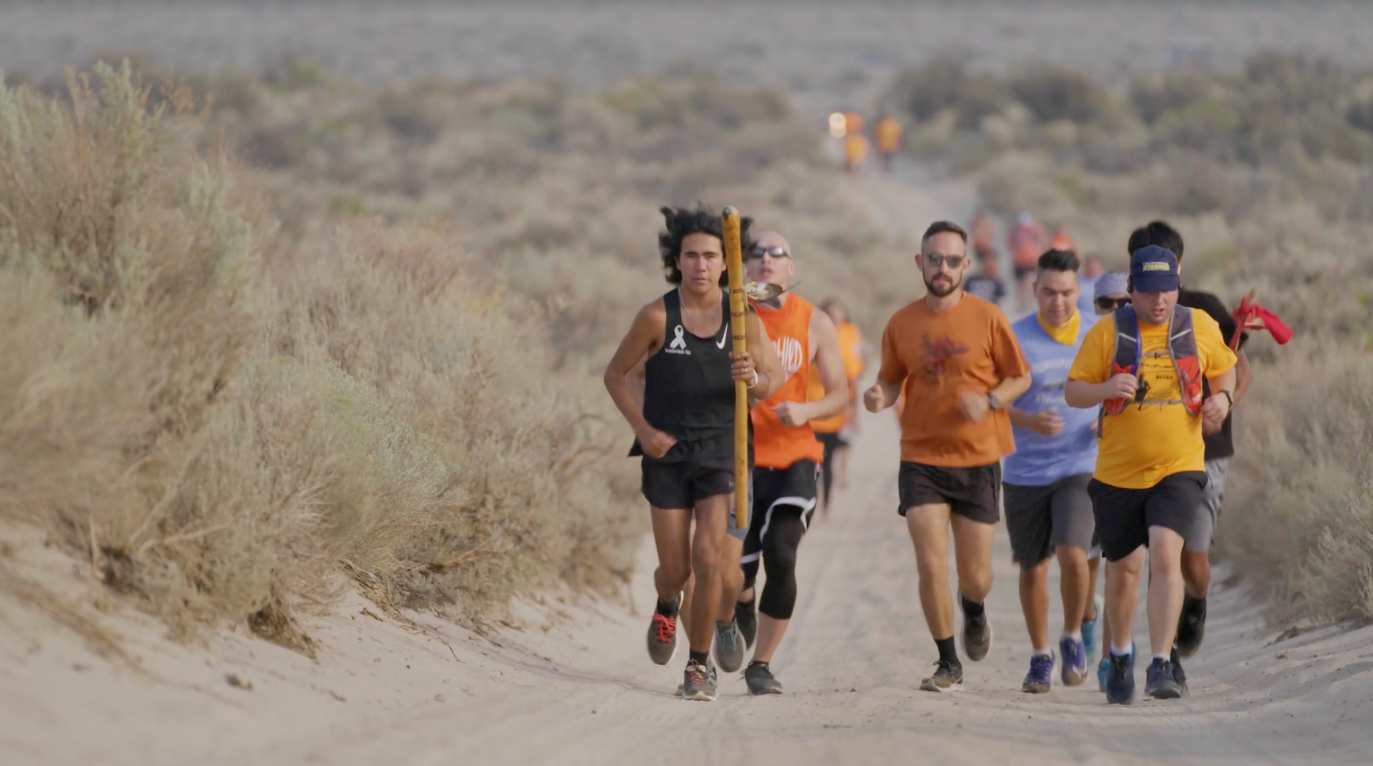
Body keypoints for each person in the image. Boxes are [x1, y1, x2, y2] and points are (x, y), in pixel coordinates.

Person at [604, 205, 782, 702]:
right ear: (676, 262)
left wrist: (754, 377)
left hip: (722, 450)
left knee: (710, 556)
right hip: (666, 450)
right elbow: (615, 374)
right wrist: (642, 428)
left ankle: (697, 666)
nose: (701, 265)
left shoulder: (742, 316)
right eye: (691, 256)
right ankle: (667, 602)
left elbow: (773, 379)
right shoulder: (657, 315)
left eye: (710, 255)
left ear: (726, 263)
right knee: (678, 570)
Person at [864, 220, 1031, 692]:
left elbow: (1020, 377)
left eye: (952, 260)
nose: (942, 268)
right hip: (920, 457)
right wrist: (881, 394)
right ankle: (946, 661)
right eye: (933, 259)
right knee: (931, 563)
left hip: (977, 458)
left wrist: (991, 400)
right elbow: (892, 377)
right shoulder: (901, 322)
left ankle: (973, 609)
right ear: (920, 262)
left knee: (975, 576)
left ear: (966, 264)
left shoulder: (988, 317)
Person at [1065, 245, 1237, 704]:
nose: (1159, 300)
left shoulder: (1197, 324)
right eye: (1148, 291)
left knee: (1164, 556)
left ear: (1177, 286)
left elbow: (1225, 371)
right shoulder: (1108, 332)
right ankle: (1120, 653)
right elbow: (1073, 391)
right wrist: (1105, 388)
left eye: (1167, 290)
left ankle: (1160, 663)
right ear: (1132, 290)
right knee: (1123, 570)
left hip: (1179, 467)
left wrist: (1224, 400)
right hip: (1118, 473)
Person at [1125, 221, 1254, 694]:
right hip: (1147, 456)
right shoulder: (1124, 321)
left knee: (1192, 559)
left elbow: (1242, 372)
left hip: (1209, 451)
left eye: (1167, 268)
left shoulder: (1207, 311)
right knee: (1160, 554)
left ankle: (1196, 603)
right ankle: (1167, 658)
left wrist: (1224, 403)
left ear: (1179, 266)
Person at [724, 231, 848, 696]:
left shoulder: (814, 320)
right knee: (739, 571)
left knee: (782, 552)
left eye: (777, 254)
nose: (766, 261)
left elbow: (839, 395)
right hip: (742, 456)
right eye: (756, 254)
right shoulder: (733, 316)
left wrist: (806, 411)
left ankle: (762, 664)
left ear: (791, 268)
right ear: (744, 267)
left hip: (797, 451)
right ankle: (742, 602)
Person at [1003, 249, 1099, 694]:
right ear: (1034, 289)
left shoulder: (1099, 333)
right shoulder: (1014, 336)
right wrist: (1028, 421)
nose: (1057, 302)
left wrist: (1107, 419)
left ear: (1078, 292)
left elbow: (1124, 385)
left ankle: (1073, 636)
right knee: (1032, 567)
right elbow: (992, 404)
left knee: (1073, 553)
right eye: (1048, 293)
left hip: (1079, 464)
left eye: (1066, 293)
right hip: (1024, 469)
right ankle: (1040, 655)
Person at [810, 298, 865, 515]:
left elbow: (853, 373)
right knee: (812, 464)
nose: (835, 318)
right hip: (812, 410)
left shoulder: (849, 334)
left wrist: (854, 411)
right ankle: (814, 503)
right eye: (830, 314)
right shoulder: (812, 333)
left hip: (837, 410)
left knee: (829, 460)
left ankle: (827, 504)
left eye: (838, 314)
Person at [1008, 212, 1047, 312]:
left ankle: (1026, 305)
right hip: (1019, 261)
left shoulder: (1036, 229)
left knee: (1029, 283)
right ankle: (1021, 304)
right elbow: (1010, 244)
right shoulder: (1015, 231)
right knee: (1020, 284)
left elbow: (1042, 242)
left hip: (1031, 261)